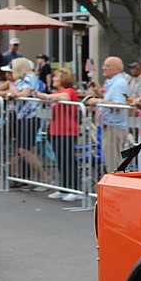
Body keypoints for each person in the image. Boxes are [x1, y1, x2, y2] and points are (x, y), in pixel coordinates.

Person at [5, 57, 49, 188]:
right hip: (23, 116)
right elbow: (12, 92)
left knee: (24, 150)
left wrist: (14, 93)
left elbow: (23, 93)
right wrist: (12, 93)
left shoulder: (29, 78)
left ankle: (44, 176)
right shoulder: (21, 80)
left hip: (31, 116)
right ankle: (35, 179)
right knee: (28, 149)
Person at [37, 68, 80, 201]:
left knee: (68, 160)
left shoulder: (69, 91)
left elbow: (65, 97)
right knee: (61, 160)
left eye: (56, 77)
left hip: (67, 131)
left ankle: (75, 189)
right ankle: (64, 188)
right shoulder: (56, 93)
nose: (54, 78)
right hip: (56, 131)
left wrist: (47, 96)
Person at [86, 56, 129, 173]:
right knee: (112, 161)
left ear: (117, 69)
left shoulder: (118, 84)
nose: (103, 68)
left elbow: (119, 105)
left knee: (114, 163)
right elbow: (111, 100)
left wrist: (98, 101)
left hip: (115, 128)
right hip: (111, 127)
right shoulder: (113, 83)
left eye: (107, 65)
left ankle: (117, 188)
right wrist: (98, 93)